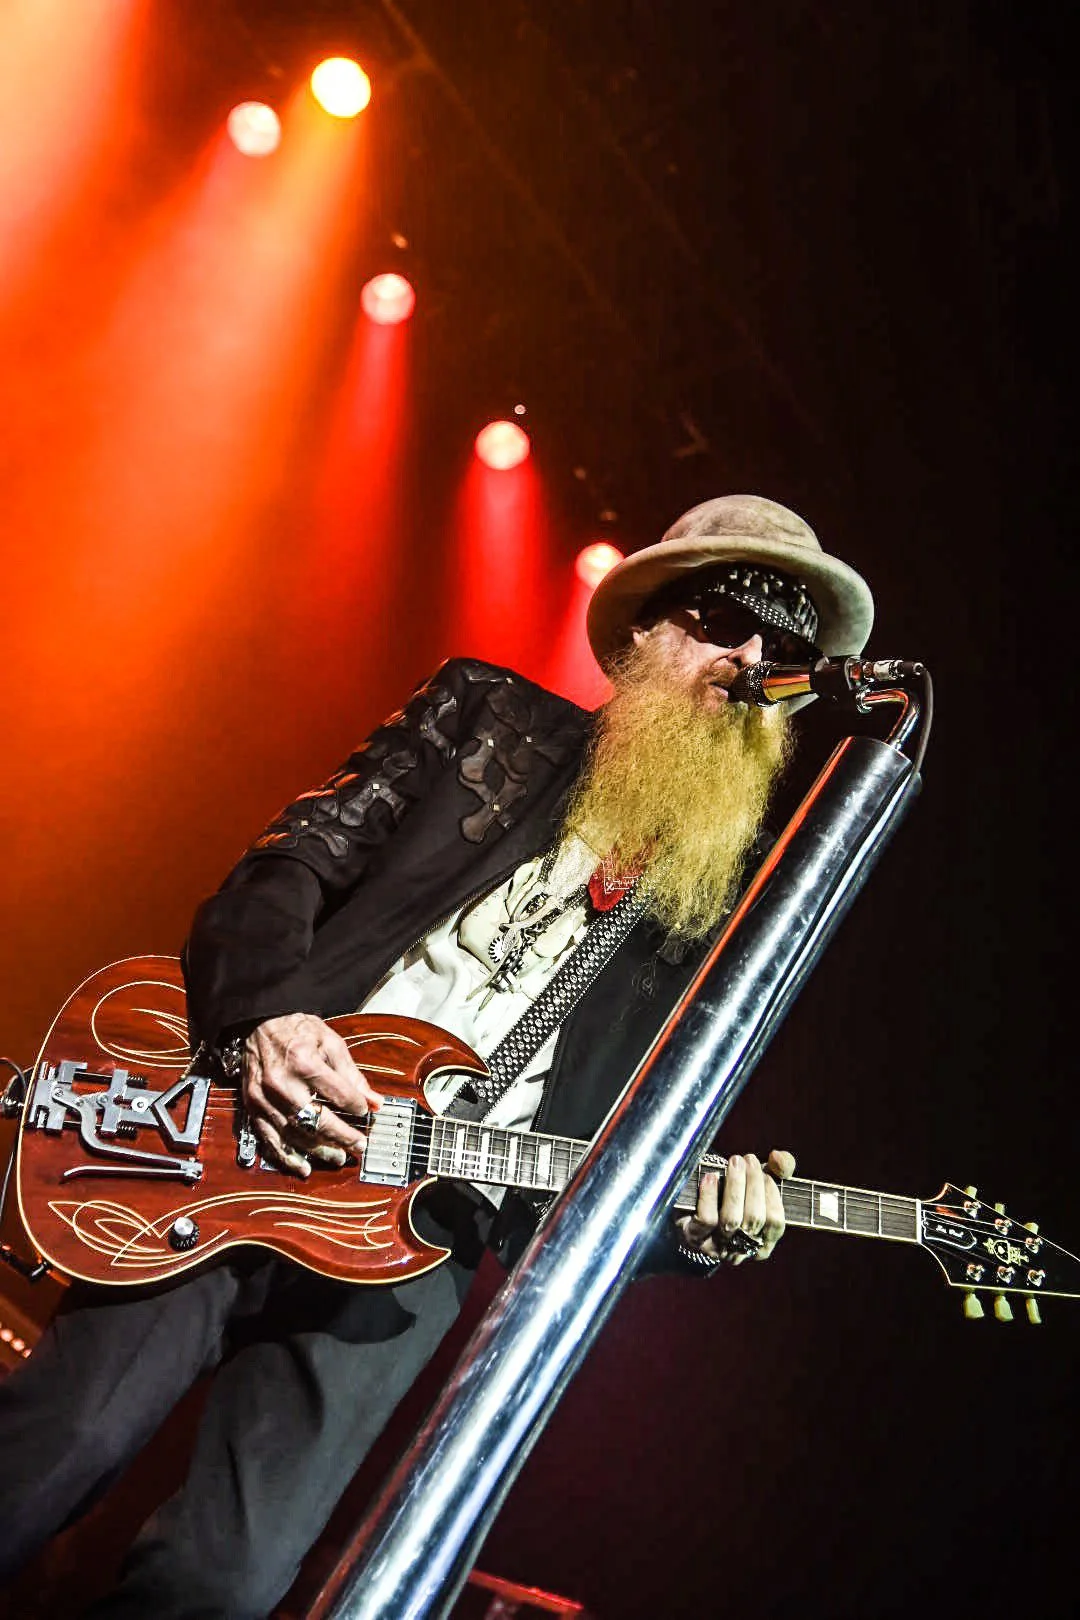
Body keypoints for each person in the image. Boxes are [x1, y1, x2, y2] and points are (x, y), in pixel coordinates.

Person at [0, 494, 874, 1618]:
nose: (752, 659)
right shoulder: (486, 720)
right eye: (724, 619)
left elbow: (612, 1158)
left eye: (789, 648)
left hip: (420, 1239)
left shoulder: (724, 919)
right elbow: (279, 873)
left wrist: (689, 1233)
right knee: (56, 1446)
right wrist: (265, 1019)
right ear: (648, 631)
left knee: (225, 1581)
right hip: (243, 1131)